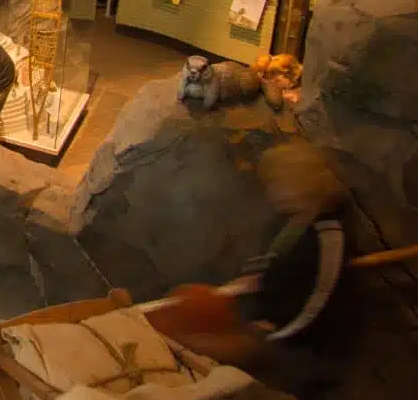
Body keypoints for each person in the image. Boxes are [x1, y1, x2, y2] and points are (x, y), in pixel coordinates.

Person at [147, 140, 349, 367]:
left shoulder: (327, 234)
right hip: (260, 322)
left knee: (189, 346)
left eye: (278, 183)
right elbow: (259, 274)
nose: (272, 191)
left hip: (296, 344)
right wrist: (222, 296)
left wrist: (267, 338)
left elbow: (316, 304)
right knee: (185, 305)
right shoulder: (285, 222)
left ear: (303, 183)